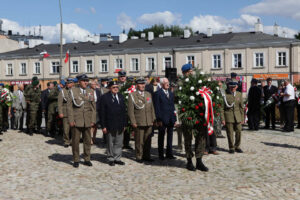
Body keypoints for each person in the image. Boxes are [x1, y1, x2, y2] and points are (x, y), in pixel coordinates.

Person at [180, 64, 208, 172]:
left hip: (199, 115)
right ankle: (189, 161)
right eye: (188, 71)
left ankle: (199, 161)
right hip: (187, 116)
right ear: (184, 73)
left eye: (191, 71)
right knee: (188, 138)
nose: (191, 73)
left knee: (200, 137)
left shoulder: (198, 83)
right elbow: (178, 100)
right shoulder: (180, 84)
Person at [67, 73, 96, 168]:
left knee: (87, 140)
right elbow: (69, 107)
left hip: (87, 120)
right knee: (75, 141)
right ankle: (76, 159)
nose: (86, 82)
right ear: (79, 82)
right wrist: (71, 120)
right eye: (84, 81)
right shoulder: (73, 91)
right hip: (76, 120)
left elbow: (93, 107)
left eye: (87, 81)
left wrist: (93, 119)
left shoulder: (90, 91)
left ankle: (87, 158)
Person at [128, 77, 156, 163]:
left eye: (143, 84)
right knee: (139, 140)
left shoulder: (148, 94)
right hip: (139, 121)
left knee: (148, 140)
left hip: (148, 121)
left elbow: (151, 107)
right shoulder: (132, 95)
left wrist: (153, 119)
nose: (142, 85)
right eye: (140, 84)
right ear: (137, 85)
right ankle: (139, 156)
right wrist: (133, 122)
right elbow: (130, 111)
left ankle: (146, 155)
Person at [100, 81, 127, 166]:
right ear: (109, 88)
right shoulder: (104, 97)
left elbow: (124, 111)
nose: (116, 89)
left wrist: (124, 124)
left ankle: (117, 158)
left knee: (119, 142)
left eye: (117, 87)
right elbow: (102, 113)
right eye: (114, 87)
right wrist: (103, 126)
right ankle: (111, 158)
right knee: (110, 142)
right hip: (109, 123)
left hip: (119, 123)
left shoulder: (120, 96)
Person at [154, 78, 177, 160]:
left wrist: (174, 118)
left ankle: (169, 153)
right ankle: (161, 154)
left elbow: (173, 106)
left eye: (168, 82)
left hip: (170, 118)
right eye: (166, 83)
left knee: (170, 136)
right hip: (162, 119)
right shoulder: (157, 94)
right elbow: (157, 107)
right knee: (161, 137)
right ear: (161, 84)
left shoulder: (171, 93)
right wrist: (158, 119)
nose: (168, 84)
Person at [221, 80, 244, 154]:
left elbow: (241, 107)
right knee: (230, 133)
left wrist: (242, 118)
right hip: (228, 116)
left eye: (234, 87)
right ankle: (231, 147)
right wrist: (223, 119)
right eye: (231, 87)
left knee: (239, 132)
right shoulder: (225, 95)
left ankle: (237, 146)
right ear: (229, 87)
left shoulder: (239, 94)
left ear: (236, 87)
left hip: (238, 116)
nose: (233, 88)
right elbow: (222, 108)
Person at [118, 70, 133, 150]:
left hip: (128, 109)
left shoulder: (130, 86)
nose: (122, 78)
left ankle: (126, 143)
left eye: (123, 77)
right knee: (121, 127)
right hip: (120, 109)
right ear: (119, 77)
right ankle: (120, 143)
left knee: (128, 127)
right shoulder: (117, 86)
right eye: (121, 77)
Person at [58, 78, 73, 147]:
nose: (68, 84)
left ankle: (73, 140)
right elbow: (60, 103)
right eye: (67, 83)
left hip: (74, 112)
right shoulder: (63, 91)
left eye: (69, 83)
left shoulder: (75, 91)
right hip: (65, 112)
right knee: (66, 128)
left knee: (74, 128)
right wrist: (60, 112)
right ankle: (66, 141)